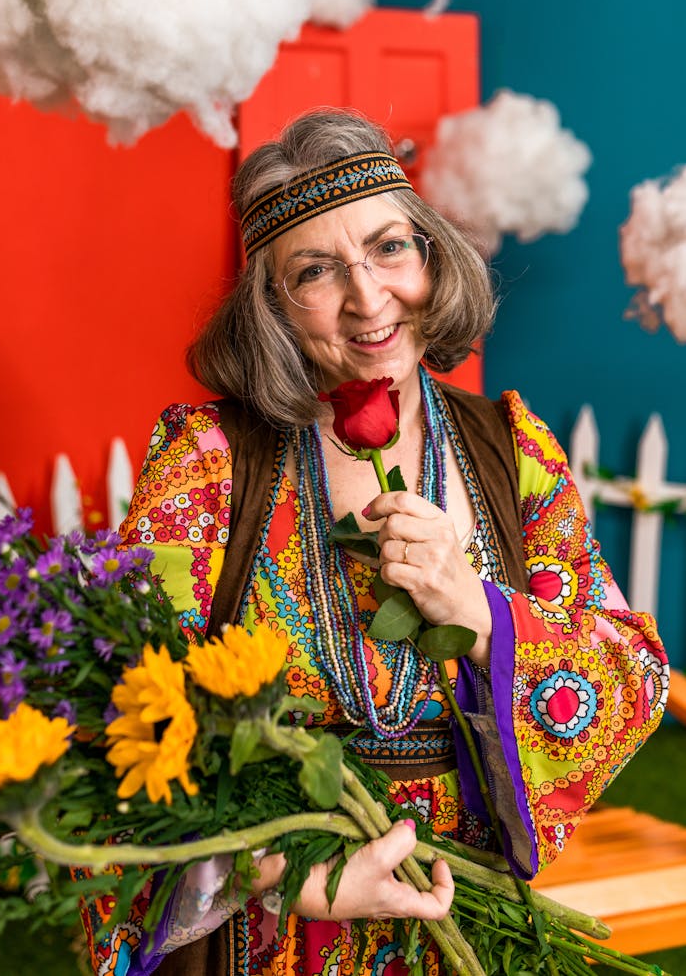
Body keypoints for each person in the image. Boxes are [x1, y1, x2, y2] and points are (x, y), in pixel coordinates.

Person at [81, 108, 669, 976]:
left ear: (431, 255)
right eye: (316, 270)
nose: (367, 297)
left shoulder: (512, 449)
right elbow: (113, 706)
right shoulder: (211, 463)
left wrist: (477, 611)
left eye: (391, 248)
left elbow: (631, 672)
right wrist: (281, 873)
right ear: (272, 305)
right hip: (274, 928)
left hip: (464, 913)